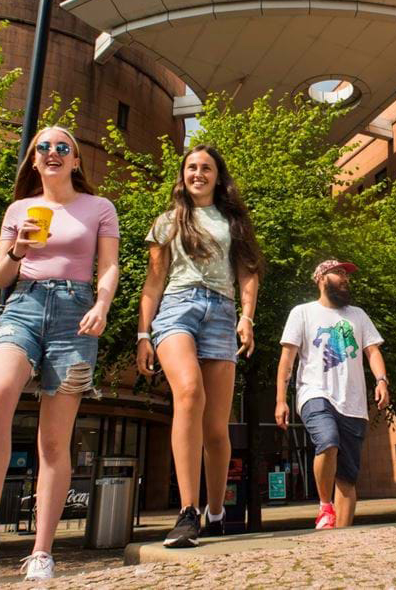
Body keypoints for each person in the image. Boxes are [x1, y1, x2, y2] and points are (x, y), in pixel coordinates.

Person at [0, 126, 120, 581]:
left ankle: (41, 551)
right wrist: (18, 248)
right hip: (24, 304)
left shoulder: (99, 207)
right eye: (44, 147)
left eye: (63, 147)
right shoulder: (20, 209)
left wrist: (101, 305)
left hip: (76, 312)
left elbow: (109, 264)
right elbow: (0, 277)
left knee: (54, 439)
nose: (53, 152)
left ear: (76, 161)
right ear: (34, 161)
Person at [135, 144, 262, 548]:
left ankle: (216, 510)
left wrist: (247, 317)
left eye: (205, 168)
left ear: (217, 176)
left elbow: (247, 273)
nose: (198, 173)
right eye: (191, 167)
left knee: (216, 428)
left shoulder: (233, 221)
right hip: (177, 307)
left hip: (223, 313)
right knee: (189, 392)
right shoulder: (167, 222)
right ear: (183, 175)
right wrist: (142, 334)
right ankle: (188, 512)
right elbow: (153, 283)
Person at [275, 260, 389, 530]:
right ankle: (325, 505)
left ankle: (340, 538)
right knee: (328, 440)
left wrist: (381, 380)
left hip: (354, 403)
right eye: (338, 273)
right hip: (314, 393)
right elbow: (287, 359)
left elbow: (372, 351)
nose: (344, 278)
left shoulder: (358, 315)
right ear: (321, 278)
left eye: (346, 274)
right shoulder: (302, 313)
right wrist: (281, 399)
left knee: (347, 479)